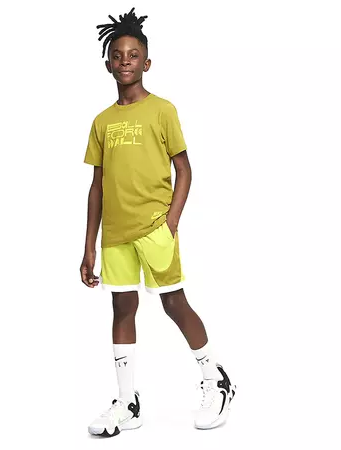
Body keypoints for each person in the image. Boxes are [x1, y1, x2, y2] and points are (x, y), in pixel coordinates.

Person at [80, 7, 236, 438]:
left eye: (133, 55)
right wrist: (89, 246)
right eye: (117, 55)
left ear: (146, 63)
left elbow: (184, 169)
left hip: (155, 228)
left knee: (173, 303)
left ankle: (216, 379)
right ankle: (127, 402)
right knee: (122, 308)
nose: (125, 61)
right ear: (108, 63)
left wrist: (171, 221)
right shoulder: (102, 121)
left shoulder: (163, 110)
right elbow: (97, 186)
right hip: (115, 235)